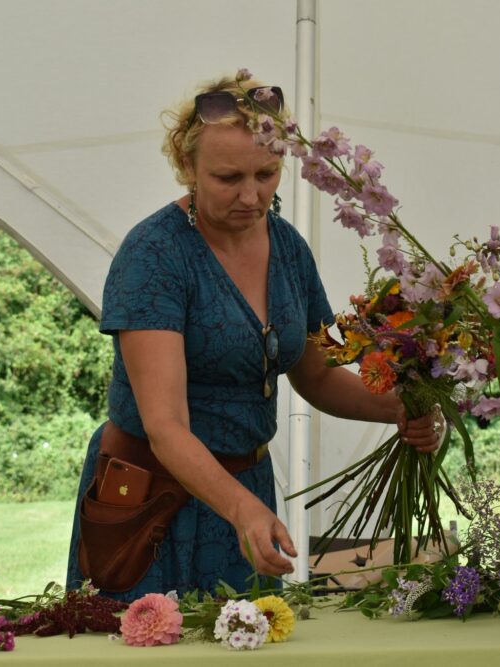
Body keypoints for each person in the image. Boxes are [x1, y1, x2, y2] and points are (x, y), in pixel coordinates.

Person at [66, 74, 443, 600]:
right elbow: (166, 427)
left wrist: (402, 407)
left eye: (267, 174)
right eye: (228, 178)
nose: (252, 195)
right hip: (150, 501)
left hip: (245, 491)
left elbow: (316, 374)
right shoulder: (153, 255)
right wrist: (243, 509)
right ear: (187, 168)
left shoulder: (288, 248)